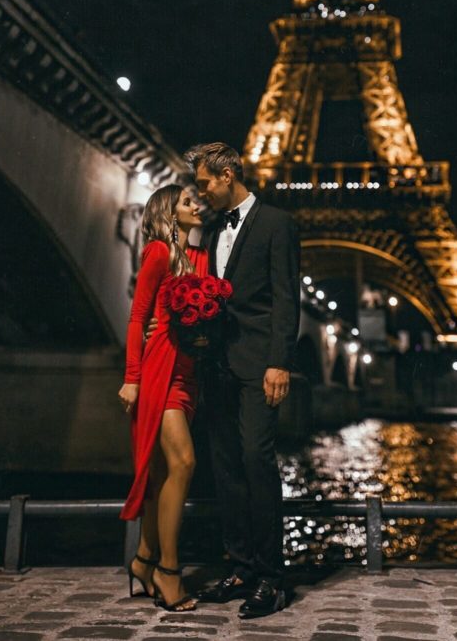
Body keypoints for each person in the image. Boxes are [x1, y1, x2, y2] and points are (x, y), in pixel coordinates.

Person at [184, 142, 300, 619]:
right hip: (218, 365)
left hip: (258, 365)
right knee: (226, 466)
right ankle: (240, 566)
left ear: (228, 174)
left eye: (206, 181)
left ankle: (272, 578)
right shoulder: (210, 229)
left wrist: (279, 361)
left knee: (256, 458)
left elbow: (285, 297)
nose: (201, 190)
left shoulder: (277, 223)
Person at [118, 184, 207, 613]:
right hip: (162, 369)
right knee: (184, 462)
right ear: (169, 212)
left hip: (188, 372)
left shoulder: (198, 258)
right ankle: (170, 572)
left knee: (160, 472)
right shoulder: (157, 252)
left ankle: (143, 561)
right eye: (189, 201)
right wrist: (132, 378)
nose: (198, 206)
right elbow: (138, 316)